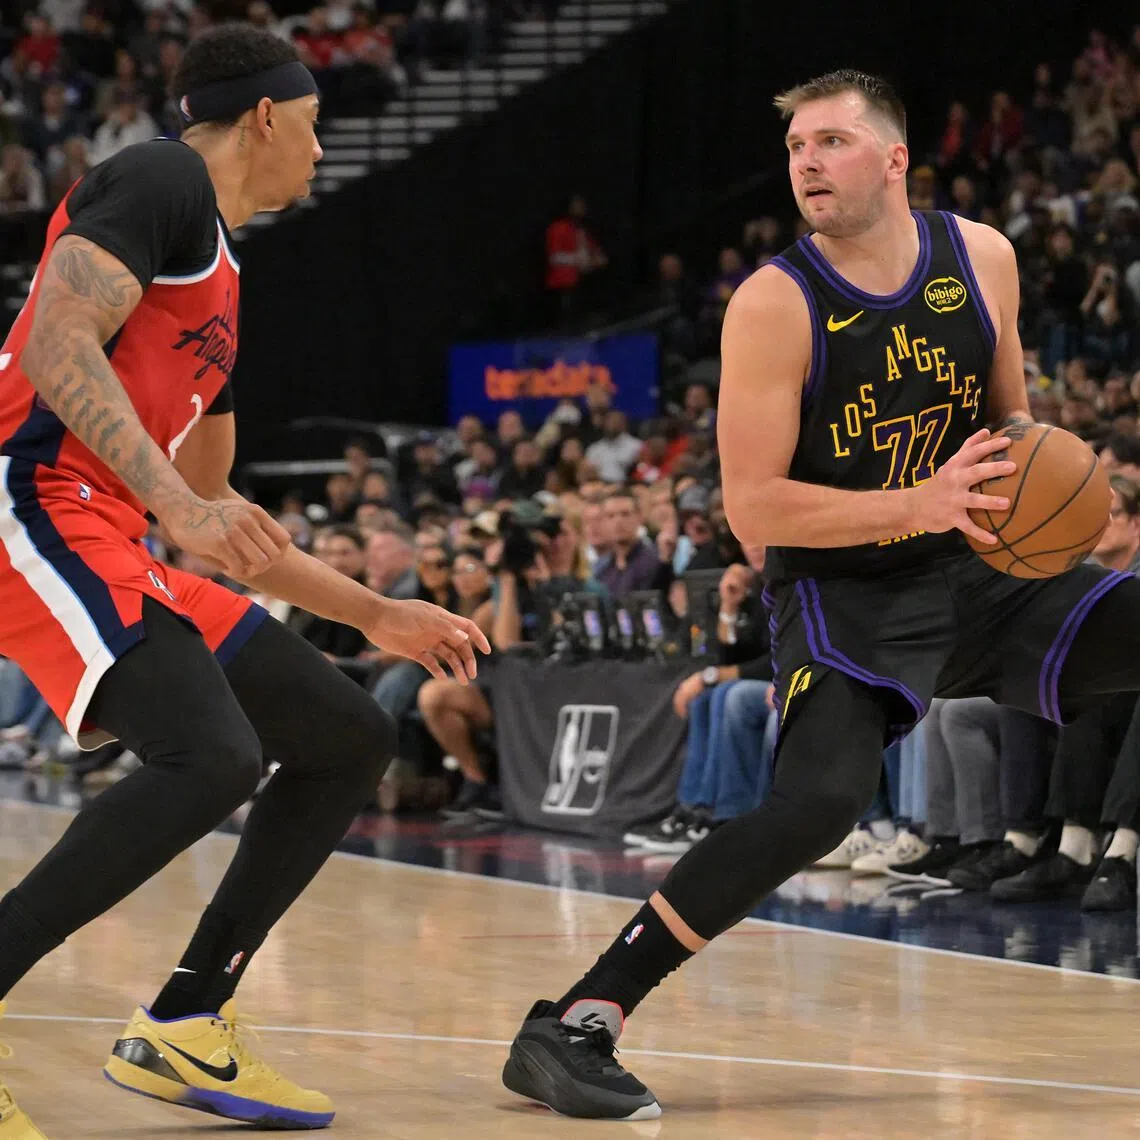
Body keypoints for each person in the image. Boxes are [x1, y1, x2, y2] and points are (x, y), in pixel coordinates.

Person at [502, 69, 1140, 1120]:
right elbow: (753, 509)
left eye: (832, 141)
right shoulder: (775, 302)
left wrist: (1045, 486)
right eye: (797, 146)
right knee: (817, 807)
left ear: (895, 159)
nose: (807, 161)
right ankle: (577, 1020)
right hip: (846, 593)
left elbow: (1012, 429)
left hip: (981, 567)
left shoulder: (983, 255)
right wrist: (920, 503)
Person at [0, 25, 490, 1137]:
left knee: (345, 733)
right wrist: (178, 506)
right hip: (27, 495)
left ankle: (187, 1017)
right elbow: (57, 344)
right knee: (209, 754)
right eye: (313, 126)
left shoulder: (222, 279)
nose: (320, 152)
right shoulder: (160, 177)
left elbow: (220, 512)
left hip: (111, 526)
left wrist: (377, 612)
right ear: (266, 115)